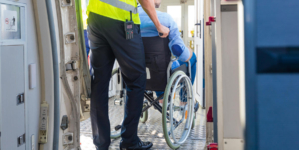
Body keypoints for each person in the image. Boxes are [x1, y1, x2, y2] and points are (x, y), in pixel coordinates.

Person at [86, 0, 170, 149]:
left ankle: (101, 142)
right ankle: (129, 141)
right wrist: (158, 25)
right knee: (136, 81)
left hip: (95, 19)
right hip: (121, 19)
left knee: (99, 83)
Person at [138, 0, 198, 107]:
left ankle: (160, 98)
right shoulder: (165, 19)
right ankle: (184, 101)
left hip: (137, 71)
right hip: (161, 72)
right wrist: (188, 51)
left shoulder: (128, 18)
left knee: (153, 65)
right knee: (191, 58)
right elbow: (179, 51)